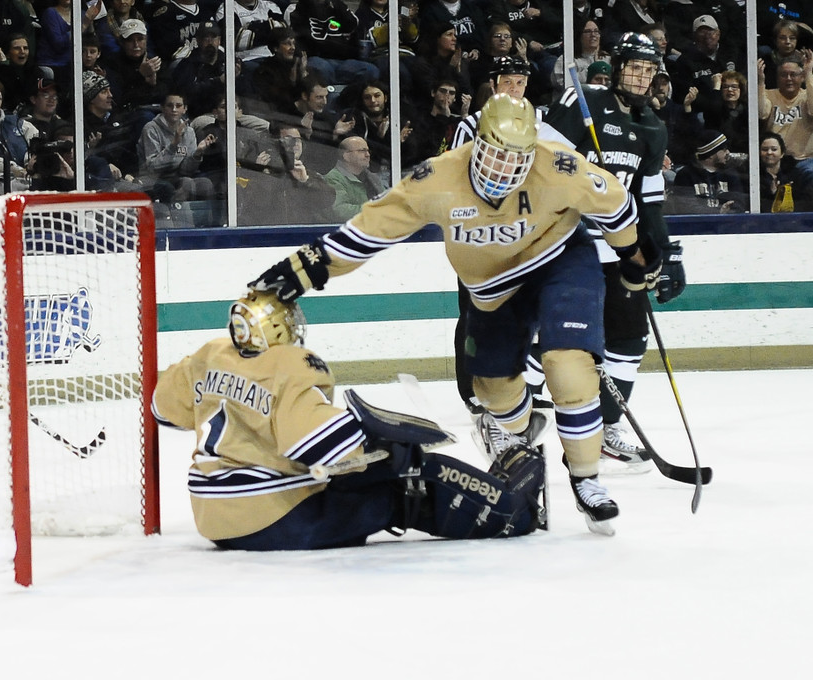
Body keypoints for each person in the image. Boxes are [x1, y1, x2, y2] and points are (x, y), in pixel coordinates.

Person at [248, 94, 661, 535]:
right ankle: (519, 431)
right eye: (494, 155)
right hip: (491, 288)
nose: (502, 170)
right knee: (493, 389)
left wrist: (635, 254)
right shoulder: (437, 178)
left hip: (560, 260)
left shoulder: (559, 166)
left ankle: (586, 479)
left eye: (515, 159)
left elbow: (615, 206)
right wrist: (302, 270)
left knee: (569, 364)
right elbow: (368, 232)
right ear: (475, 143)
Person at [151, 288, 547, 549]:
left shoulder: (209, 355)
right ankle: (511, 511)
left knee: (375, 474)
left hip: (212, 515)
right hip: (272, 518)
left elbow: (163, 410)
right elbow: (315, 445)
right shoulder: (289, 363)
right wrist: (391, 449)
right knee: (400, 491)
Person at [539, 32, 681, 471]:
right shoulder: (583, 102)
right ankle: (509, 420)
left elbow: (649, 201)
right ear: (617, 67)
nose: (640, 77)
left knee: (628, 340)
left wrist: (667, 253)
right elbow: (541, 160)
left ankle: (606, 425)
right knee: (554, 336)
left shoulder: (653, 127)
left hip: (621, 250)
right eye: (634, 67)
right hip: (567, 242)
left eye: (649, 70)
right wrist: (585, 176)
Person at [136, 91, 217, 203]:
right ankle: (178, 216)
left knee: (205, 183)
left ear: (185, 109)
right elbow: (152, 167)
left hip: (177, 177)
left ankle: (210, 220)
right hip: (153, 179)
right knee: (185, 183)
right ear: (163, 108)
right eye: (170, 106)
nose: (174, 109)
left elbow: (186, 170)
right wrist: (173, 144)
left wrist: (197, 153)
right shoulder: (151, 129)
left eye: (178, 106)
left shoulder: (189, 131)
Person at [757, 53, 813, 184]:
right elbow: (761, 113)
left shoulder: (807, 96)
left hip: (804, 160)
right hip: (775, 161)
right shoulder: (769, 94)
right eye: (784, 75)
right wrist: (760, 82)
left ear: (801, 77)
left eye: (793, 75)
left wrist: (809, 74)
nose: (788, 79)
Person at [668, 129, 747, 214]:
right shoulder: (685, 175)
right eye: (723, 149)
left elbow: (739, 204)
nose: (728, 152)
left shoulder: (730, 174)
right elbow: (685, 208)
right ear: (710, 155)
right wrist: (719, 212)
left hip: (727, 225)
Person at [322, 135, 384, 220]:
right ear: (346, 156)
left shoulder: (372, 177)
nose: (368, 155)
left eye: (368, 151)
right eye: (362, 151)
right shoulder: (333, 178)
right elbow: (339, 210)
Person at [757, 130, 812, 212]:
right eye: (765, 149)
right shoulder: (753, 176)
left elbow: (806, 203)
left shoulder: (796, 175)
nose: (769, 152)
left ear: (782, 153)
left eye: (774, 149)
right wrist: (771, 194)